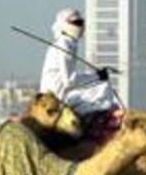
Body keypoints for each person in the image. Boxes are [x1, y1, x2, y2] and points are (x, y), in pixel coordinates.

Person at [39, 9, 119, 141]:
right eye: (77, 22)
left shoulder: (66, 43)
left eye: (82, 22)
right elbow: (70, 81)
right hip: (56, 99)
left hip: (59, 95)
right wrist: (97, 77)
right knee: (102, 89)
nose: (81, 26)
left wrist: (95, 76)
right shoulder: (65, 45)